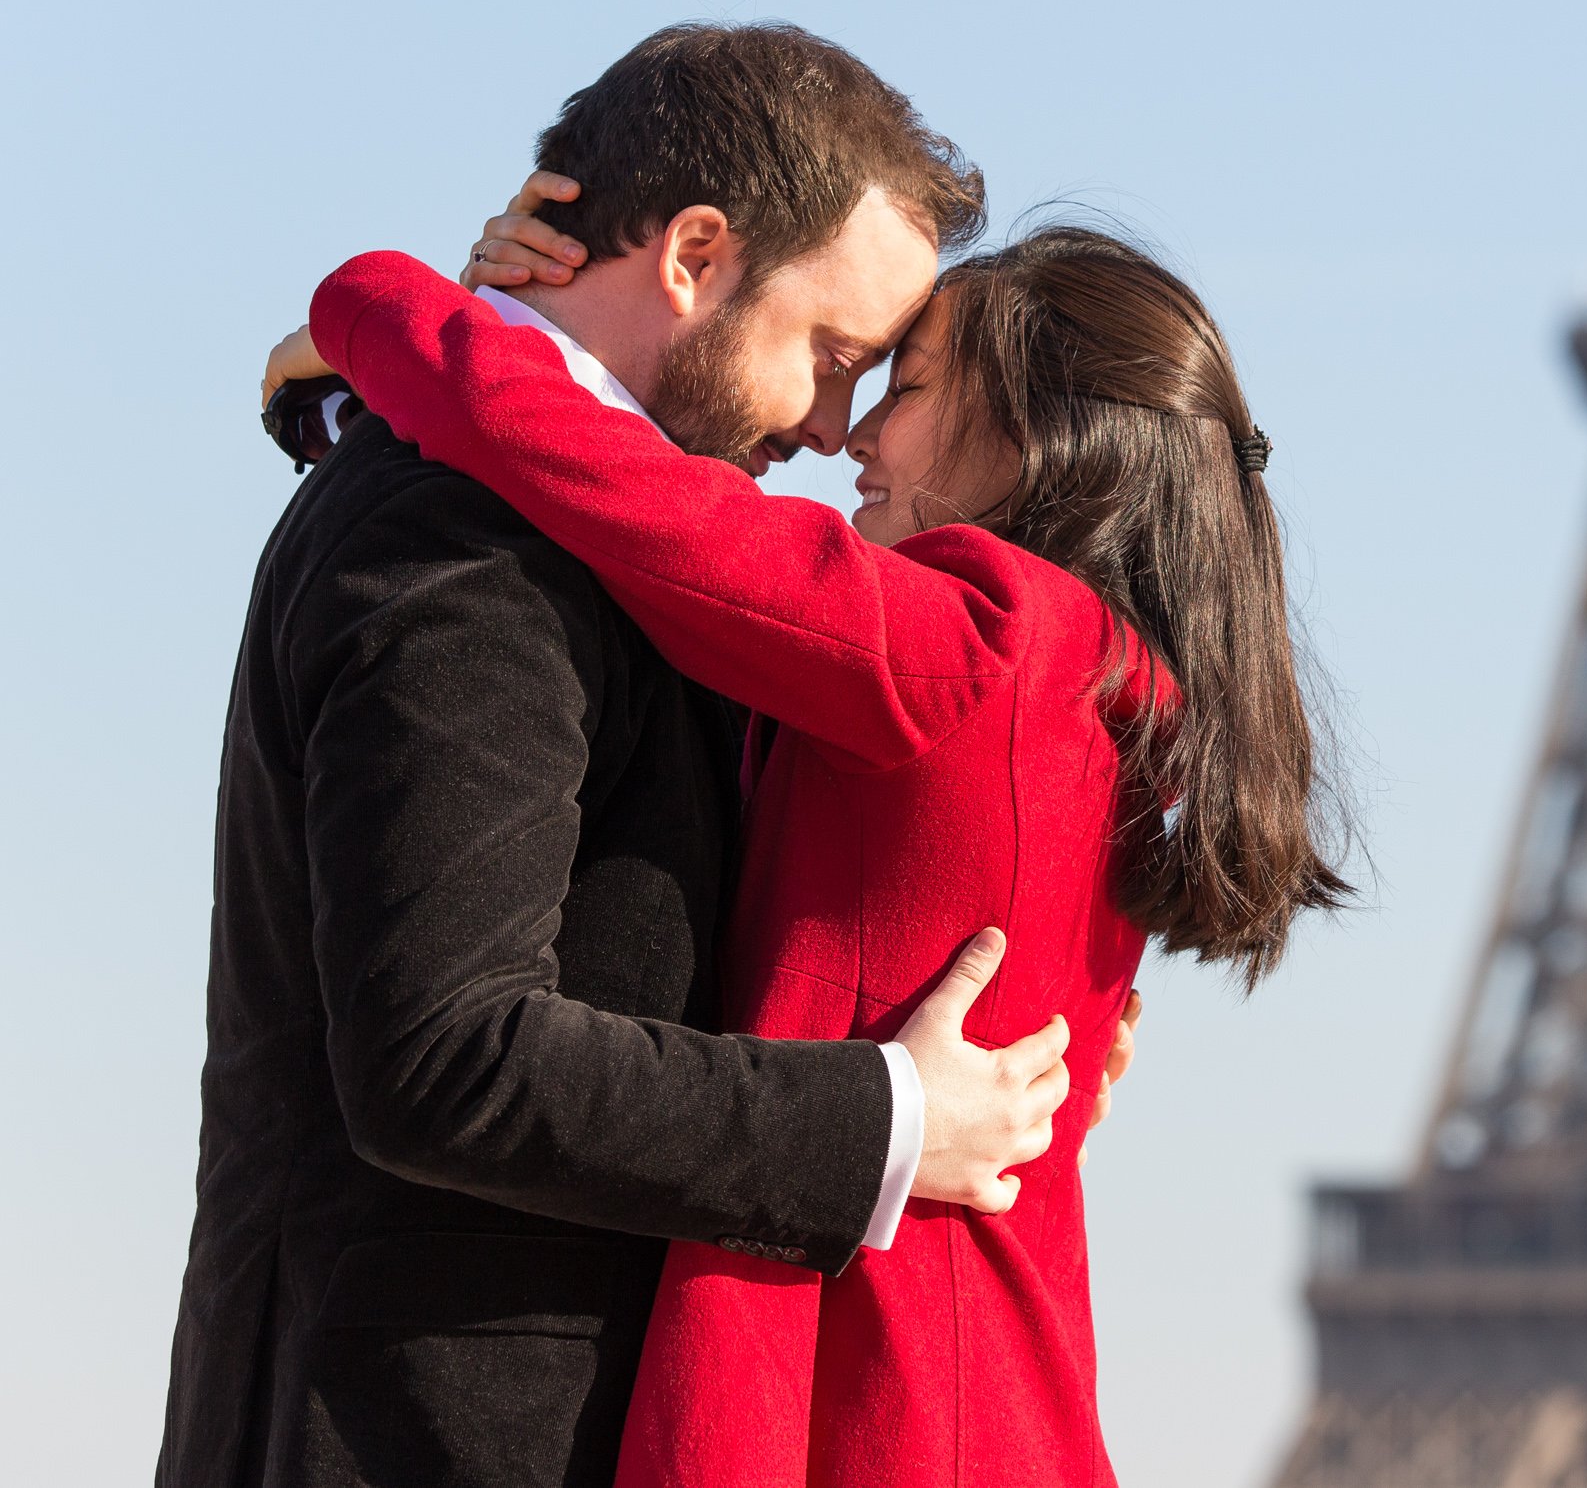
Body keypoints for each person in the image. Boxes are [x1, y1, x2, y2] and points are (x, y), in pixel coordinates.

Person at [264, 187, 1349, 1485]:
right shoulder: (1088, 698)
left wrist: (386, 302)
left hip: (885, 1406)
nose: (856, 435)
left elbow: (611, 491)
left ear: (1039, 439)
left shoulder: (982, 644)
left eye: (906, 386)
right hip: (944, 1392)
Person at [166, 23, 1116, 1488]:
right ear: (692, 255)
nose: (828, 427)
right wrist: (885, 1121)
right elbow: (446, 1056)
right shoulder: (461, 538)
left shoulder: (582, 534)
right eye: (829, 354)